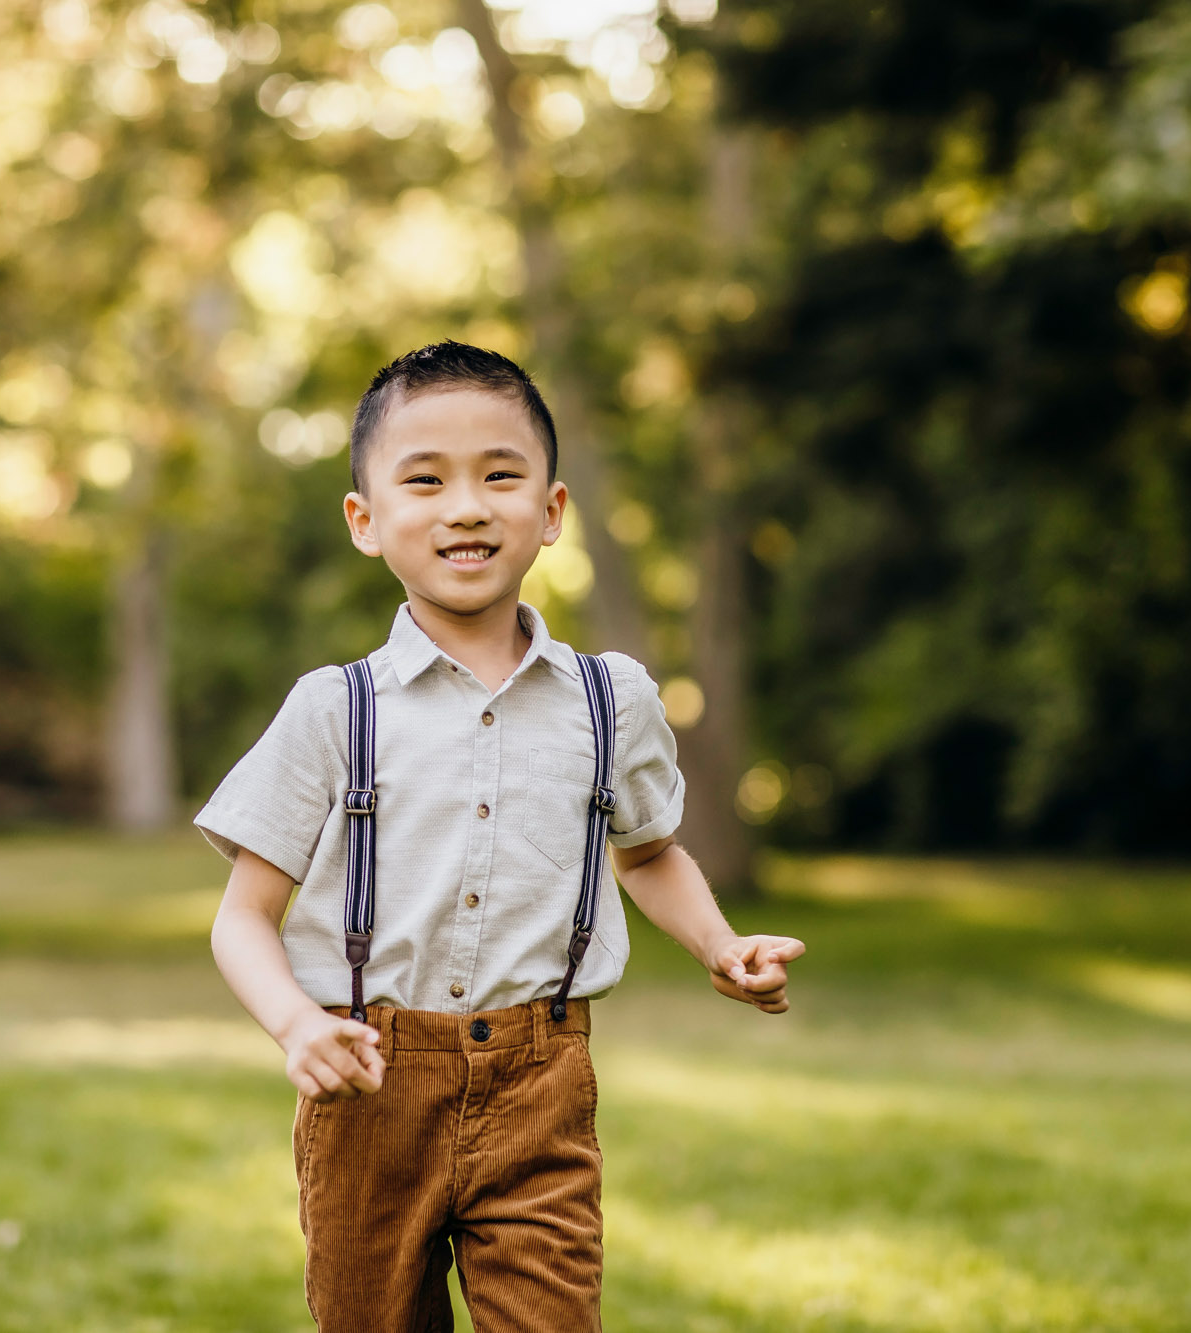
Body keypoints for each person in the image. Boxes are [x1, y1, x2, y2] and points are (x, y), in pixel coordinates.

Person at [196, 340, 805, 1330]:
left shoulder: (612, 700)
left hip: (541, 1081)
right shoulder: (332, 711)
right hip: (370, 1083)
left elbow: (647, 853)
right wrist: (297, 1024)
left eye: (499, 475)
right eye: (424, 480)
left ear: (551, 511)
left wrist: (719, 945)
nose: (465, 505)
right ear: (366, 520)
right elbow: (242, 918)